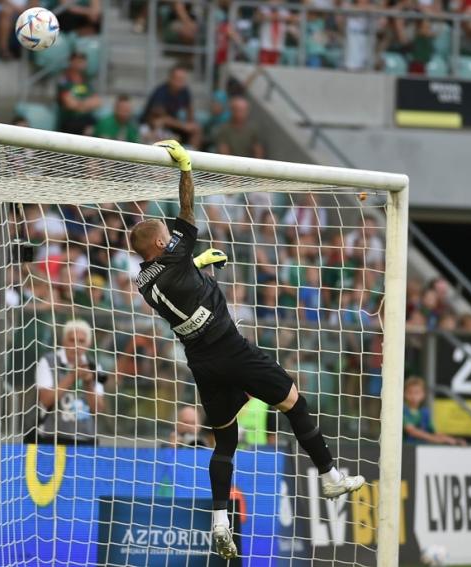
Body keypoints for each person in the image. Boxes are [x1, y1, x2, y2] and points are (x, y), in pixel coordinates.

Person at [129, 140, 364, 559]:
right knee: (294, 400)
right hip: (231, 350)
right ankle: (329, 474)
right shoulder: (173, 254)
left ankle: (220, 520)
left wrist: (197, 267)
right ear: (161, 245)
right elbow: (187, 213)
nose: (169, 236)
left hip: (201, 363)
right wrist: (185, 169)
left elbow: (177, 277)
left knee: (224, 443)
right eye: (165, 236)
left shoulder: (144, 280)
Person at [32, 319, 107, 444]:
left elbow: (97, 409)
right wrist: (72, 376)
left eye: (81, 341)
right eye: (72, 340)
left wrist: (88, 383)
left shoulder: (94, 366)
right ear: (63, 341)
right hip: (53, 437)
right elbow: (45, 400)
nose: (76, 346)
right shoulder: (48, 361)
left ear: (88, 344)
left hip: (85, 438)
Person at [140, 66, 202, 148]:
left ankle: (191, 155)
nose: (181, 82)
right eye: (178, 79)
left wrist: (190, 124)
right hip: (152, 126)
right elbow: (160, 118)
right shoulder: (161, 92)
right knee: (159, 123)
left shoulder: (185, 91)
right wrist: (184, 126)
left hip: (172, 127)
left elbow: (190, 111)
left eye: (183, 79)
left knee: (196, 129)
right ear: (171, 78)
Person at [403, 376, 467, 446]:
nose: (413, 396)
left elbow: (434, 432)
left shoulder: (425, 412)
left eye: (417, 392)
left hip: (423, 448)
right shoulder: (402, 411)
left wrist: (452, 440)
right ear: (404, 394)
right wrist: (434, 439)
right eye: (410, 392)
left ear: (423, 394)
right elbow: (411, 431)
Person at [57, 53, 101, 135]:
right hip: (69, 120)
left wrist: (79, 104)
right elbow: (69, 104)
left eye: (83, 61)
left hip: (86, 119)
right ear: (71, 62)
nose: (81, 64)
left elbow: (97, 102)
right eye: (79, 61)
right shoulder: (64, 80)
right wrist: (87, 103)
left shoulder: (86, 80)